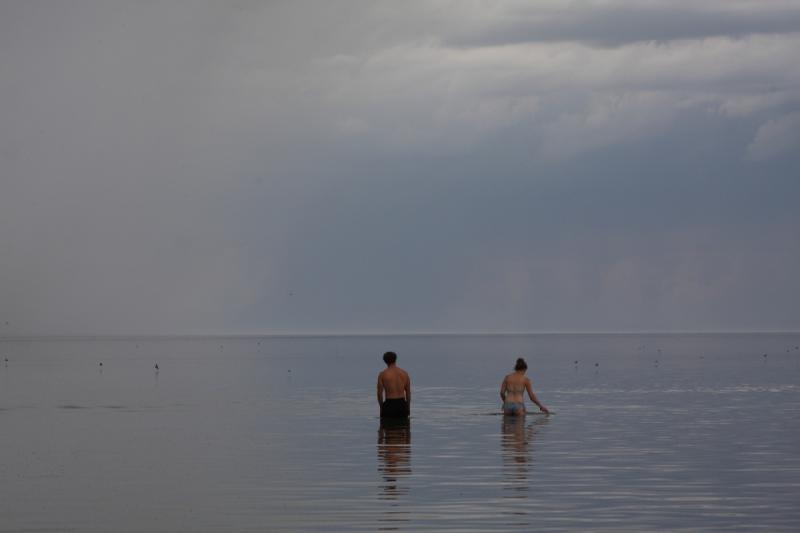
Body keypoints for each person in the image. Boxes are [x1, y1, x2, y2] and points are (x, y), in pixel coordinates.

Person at [377, 351, 411, 418]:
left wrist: (381, 407)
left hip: (389, 404)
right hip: (402, 404)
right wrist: (408, 407)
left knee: (386, 427)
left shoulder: (382, 374)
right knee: (404, 427)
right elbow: (408, 393)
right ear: (395, 359)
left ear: (385, 361)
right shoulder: (404, 374)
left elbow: (379, 394)